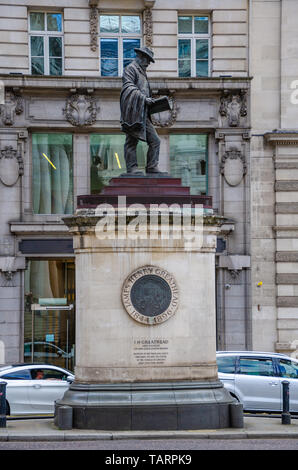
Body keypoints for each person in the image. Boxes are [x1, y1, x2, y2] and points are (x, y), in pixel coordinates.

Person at [120, 46, 165, 175]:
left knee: (155, 140)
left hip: (143, 112)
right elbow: (128, 87)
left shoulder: (142, 72)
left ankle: (151, 166)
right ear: (141, 57)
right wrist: (144, 99)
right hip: (133, 112)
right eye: (148, 60)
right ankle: (132, 168)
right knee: (131, 140)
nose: (148, 64)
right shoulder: (131, 69)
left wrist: (152, 102)